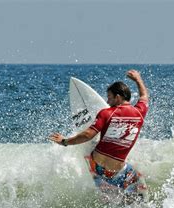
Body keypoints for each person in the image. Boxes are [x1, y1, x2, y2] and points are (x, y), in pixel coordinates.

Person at [49, 69, 149, 200]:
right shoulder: (140, 112)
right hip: (118, 171)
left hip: (98, 168)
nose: (107, 102)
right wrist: (138, 79)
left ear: (118, 97)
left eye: (110, 98)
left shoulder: (106, 113)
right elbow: (144, 97)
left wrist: (65, 141)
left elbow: (87, 135)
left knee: (95, 141)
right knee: (134, 194)